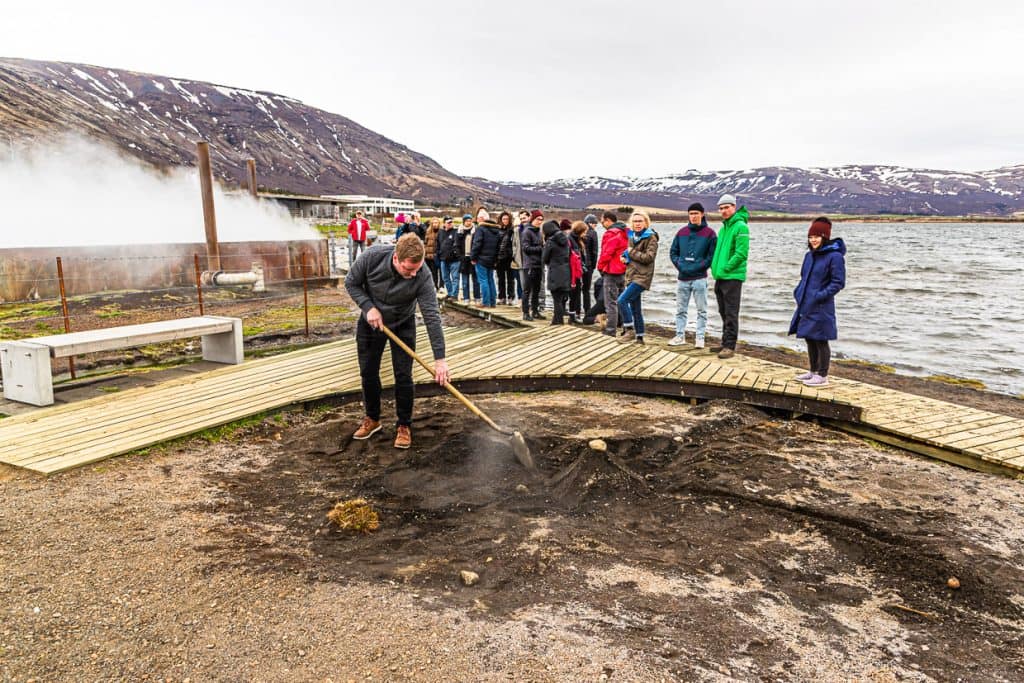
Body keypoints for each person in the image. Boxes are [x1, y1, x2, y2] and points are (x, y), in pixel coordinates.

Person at [344, 233, 450, 449]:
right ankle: (372, 419)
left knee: (403, 375)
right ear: (395, 258)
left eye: (416, 269)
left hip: (403, 324)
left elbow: (431, 315)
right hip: (372, 322)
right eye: (408, 270)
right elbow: (351, 282)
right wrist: (368, 307)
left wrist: (440, 359)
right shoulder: (372, 257)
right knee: (368, 372)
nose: (413, 275)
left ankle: (404, 425)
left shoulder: (423, 274)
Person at [789, 217, 846, 388]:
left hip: (822, 305)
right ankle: (813, 371)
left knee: (821, 339)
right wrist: (798, 292)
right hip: (806, 303)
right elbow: (803, 278)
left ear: (825, 237)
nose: (813, 240)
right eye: (811, 236)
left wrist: (820, 295)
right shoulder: (809, 256)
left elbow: (838, 282)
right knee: (809, 337)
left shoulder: (834, 257)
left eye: (817, 236)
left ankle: (823, 375)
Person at [668, 202, 717, 348]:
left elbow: (711, 257)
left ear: (702, 214)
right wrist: (681, 266)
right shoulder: (681, 232)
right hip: (682, 278)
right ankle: (679, 336)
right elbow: (673, 252)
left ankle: (700, 338)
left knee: (702, 310)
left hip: (699, 279)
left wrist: (697, 267)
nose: (694, 216)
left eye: (696, 213)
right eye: (691, 213)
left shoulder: (710, 234)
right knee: (680, 310)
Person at [710, 194, 750, 359]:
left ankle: (730, 346)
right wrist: (716, 268)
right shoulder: (724, 228)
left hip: (732, 276)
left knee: (731, 312)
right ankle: (725, 342)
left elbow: (741, 253)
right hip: (720, 276)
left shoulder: (741, 226)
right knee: (723, 310)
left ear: (734, 207)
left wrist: (726, 268)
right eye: (721, 208)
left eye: (727, 207)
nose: (724, 211)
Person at [616, 211, 659, 344]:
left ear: (646, 222)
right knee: (635, 308)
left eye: (640, 221)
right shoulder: (632, 236)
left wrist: (631, 252)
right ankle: (640, 337)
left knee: (621, 300)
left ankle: (629, 329)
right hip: (631, 275)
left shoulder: (651, 238)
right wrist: (624, 257)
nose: (637, 224)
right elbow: (630, 254)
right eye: (635, 221)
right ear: (631, 223)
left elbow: (649, 258)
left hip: (642, 277)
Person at [596, 211, 628, 337]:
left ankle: (610, 330)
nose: (601, 223)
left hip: (612, 271)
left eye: (602, 221)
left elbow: (607, 252)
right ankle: (627, 327)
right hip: (623, 270)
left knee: (610, 303)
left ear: (608, 220)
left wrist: (599, 266)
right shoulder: (626, 232)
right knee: (623, 301)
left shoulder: (611, 233)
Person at [542, 219, 578, 325]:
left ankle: (559, 322)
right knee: (561, 298)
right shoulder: (566, 240)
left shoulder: (550, 241)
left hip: (555, 272)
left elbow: (545, 258)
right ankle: (556, 320)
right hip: (566, 271)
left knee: (556, 299)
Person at [470, 207, 502, 308]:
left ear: (481, 219)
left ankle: (486, 302)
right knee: (491, 280)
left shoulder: (481, 229)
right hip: (492, 259)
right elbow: (498, 246)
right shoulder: (496, 229)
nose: (477, 220)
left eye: (478, 218)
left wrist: (473, 258)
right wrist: (496, 259)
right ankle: (493, 302)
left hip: (481, 259)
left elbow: (477, 244)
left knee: (483, 280)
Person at [520, 210, 545, 320]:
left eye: (541, 220)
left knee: (537, 290)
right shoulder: (527, 232)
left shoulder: (539, 232)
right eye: (538, 219)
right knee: (527, 290)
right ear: (532, 219)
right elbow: (525, 248)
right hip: (529, 265)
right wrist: (541, 249)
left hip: (539, 265)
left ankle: (535, 311)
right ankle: (526, 313)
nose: (540, 221)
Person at [569, 220, 590, 322]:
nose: (585, 234)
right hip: (572, 271)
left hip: (578, 270)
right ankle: (572, 315)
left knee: (576, 293)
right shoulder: (570, 240)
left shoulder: (579, 240)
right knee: (573, 294)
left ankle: (573, 315)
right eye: (584, 232)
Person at [436, 216, 462, 297]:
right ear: (444, 223)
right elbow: (438, 244)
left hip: (454, 260)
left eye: (451, 222)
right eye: (448, 222)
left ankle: (454, 295)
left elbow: (459, 244)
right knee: (445, 278)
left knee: (455, 278)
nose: (450, 224)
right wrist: (438, 254)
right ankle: (450, 293)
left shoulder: (456, 231)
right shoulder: (440, 232)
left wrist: (456, 254)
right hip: (443, 259)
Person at [495, 211, 517, 305]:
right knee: (500, 279)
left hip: (509, 257)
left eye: (507, 219)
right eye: (504, 219)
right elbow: (495, 244)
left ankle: (511, 297)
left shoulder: (512, 230)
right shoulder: (497, 230)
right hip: (499, 258)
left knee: (510, 279)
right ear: (500, 219)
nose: (505, 221)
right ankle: (501, 297)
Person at [458, 214, 480, 303]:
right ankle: (466, 297)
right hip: (464, 259)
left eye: (470, 220)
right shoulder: (460, 231)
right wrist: (460, 257)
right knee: (465, 281)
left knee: (476, 280)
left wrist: (475, 256)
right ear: (464, 221)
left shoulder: (476, 231)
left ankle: (477, 297)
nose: (469, 222)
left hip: (473, 258)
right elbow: (456, 245)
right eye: (467, 220)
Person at [581, 214, 600, 313]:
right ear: (590, 223)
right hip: (588, 265)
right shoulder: (593, 233)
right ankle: (587, 310)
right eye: (595, 224)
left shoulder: (578, 232)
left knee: (576, 289)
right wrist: (593, 266)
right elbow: (594, 251)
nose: (595, 226)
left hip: (578, 264)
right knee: (586, 290)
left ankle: (575, 311)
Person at [423, 217, 442, 291]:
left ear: (439, 223)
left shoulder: (441, 232)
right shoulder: (428, 231)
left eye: (436, 222)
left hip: (436, 255)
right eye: (433, 223)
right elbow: (425, 243)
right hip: (427, 256)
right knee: (430, 272)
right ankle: (433, 286)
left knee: (438, 272)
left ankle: (440, 286)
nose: (435, 224)